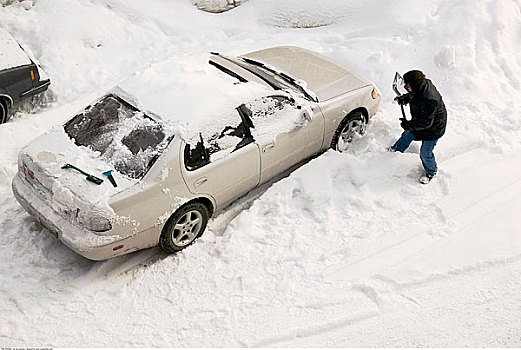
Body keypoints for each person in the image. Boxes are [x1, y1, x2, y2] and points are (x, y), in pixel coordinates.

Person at [389, 70, 447, 184]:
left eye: (407, 85)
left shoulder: (431, 99)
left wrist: (408, 124)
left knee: (425, 153)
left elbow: (426, 123)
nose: (405, 86)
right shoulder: (422, 86)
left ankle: (431, 171)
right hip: (422, 121)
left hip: (433, 129)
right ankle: (395, 151)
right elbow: (415, 95)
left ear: (415, 85)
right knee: (407, 135)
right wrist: (406, 97)